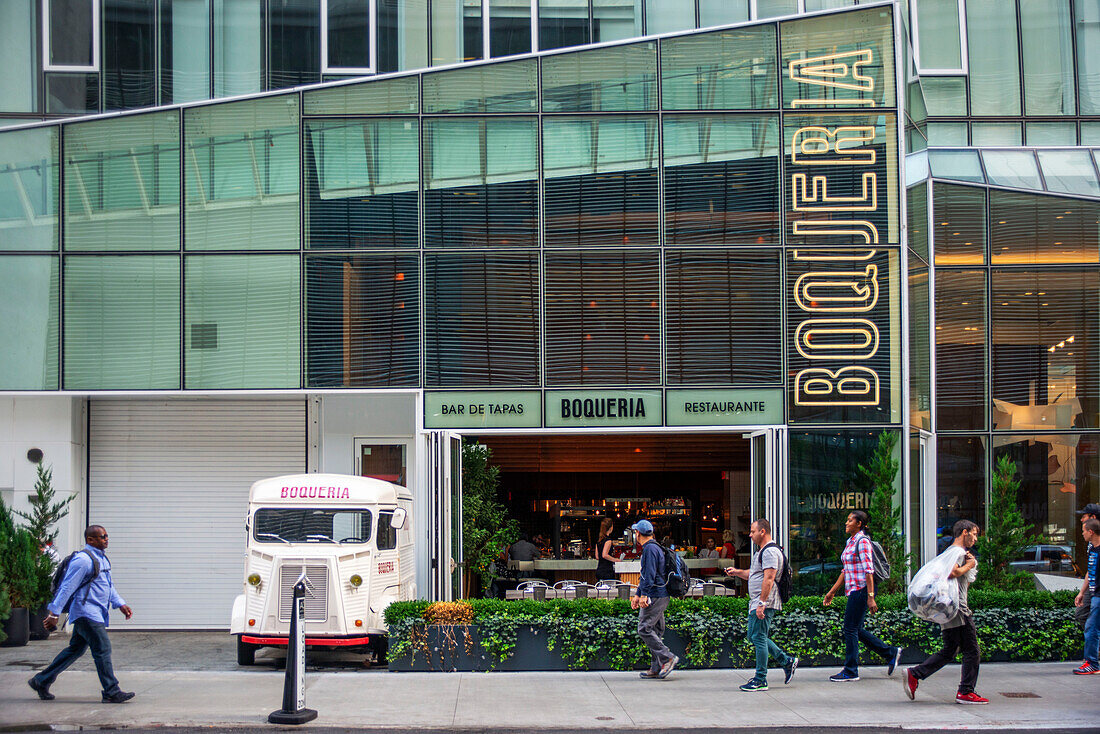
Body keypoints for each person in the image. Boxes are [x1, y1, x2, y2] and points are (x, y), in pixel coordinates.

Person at [28, 525, 135, 704]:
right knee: (102, 649)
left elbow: (108, 586)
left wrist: (120, 604)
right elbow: (67, 587)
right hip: (86, 613)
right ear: (90, 540)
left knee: (75, 650)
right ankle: (111, 690)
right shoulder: (83, 560)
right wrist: (54, 612)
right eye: (101, 537)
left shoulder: (102, 559)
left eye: (106, 536)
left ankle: (41, 680)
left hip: (95, 612)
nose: (106, 539)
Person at [903, 520, 986, 705]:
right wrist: (970, 565)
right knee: (972, 651)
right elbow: (952, 573)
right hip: (958, 609)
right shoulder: (958, 552)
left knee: (951, 649)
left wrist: (969, 567)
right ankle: (966, 692)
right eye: (974, 533)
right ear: (964, 532)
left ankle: (914, 674)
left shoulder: (949, 552)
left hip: (949, 608)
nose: (975, 538)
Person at [823, 510, 902, 682]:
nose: (846, 522)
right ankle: (891, 653)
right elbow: (846, 570)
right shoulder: (850, 542)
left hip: (862, 589)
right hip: (854, 589)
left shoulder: (863, 541)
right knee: (855, 629)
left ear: (859, 524)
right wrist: (832, 592)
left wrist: (871, 596)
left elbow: (869, 571)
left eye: (850, 520)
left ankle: (851, 670)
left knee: (850, 628)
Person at [725, 518, 797, 691]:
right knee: (755, 636)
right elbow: (755, 574)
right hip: (758, 601)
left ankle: (761, 679)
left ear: (762, 531)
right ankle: (786, 661)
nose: (750, 535)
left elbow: (769, 578)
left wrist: (762, 603)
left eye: (752, 531)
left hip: (765, 601)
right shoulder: (762, 552)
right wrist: (738, 572)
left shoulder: (770, 552)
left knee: (758, 637)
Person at [631, 519, 678, 679]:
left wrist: (644, 595)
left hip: (655, 595)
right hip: (660, 594)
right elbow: (646, 575)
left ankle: (667, 658)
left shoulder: (650, 549)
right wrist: (638, 594)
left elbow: (649, 575)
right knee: (656, 631)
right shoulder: (655, 547)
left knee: (644, 628)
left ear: (638, 533)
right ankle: (656, 667)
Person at [1072, 518, 1100, 674]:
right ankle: (1092, 662)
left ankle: (1093, 663)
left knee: (1091, 627)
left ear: (1091, 532)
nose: (1082, 534)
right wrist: (1082, 592)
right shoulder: (1092, 549)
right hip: (1094, 593)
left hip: (1099, 595)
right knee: (1090, 624)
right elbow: (1090, 571)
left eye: (1083, 531)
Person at [1074, 503, 1100, 629]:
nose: (1081, 519)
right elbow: (1091, 569)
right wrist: (1082, 592)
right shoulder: (1091, 544)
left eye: (1084, 516)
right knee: (1081, 614)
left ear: (1092, 517)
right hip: (1093, 587)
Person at [595, 517, 622, 582]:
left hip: (599, 570)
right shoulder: (608, 541)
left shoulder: (599, 541)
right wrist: (615, 560)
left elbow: (597, 556)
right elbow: (604, 555)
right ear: (611, 527)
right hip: (607, 570)